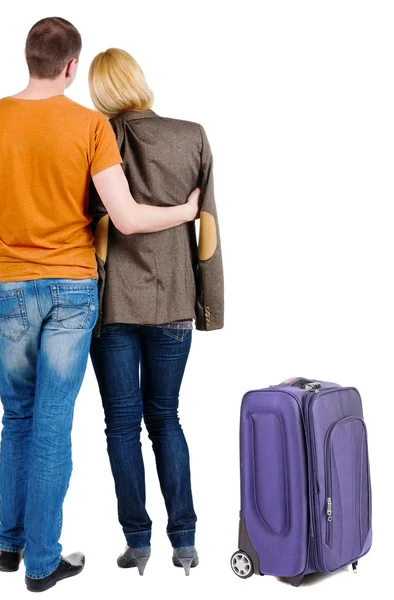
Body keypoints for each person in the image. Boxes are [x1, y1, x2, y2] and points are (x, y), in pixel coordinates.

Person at [0, 19, 200, 593]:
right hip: (71, 290)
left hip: (11, 287)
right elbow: (126, 218)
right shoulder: (89, 124)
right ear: (72, 67)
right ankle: (43, 562)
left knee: (15, 416)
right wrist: (187, 212)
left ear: (29, 58)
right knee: (50, 423)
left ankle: (9, 543)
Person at [88, 48, 224, 577]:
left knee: (121, 425)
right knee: (165, 417)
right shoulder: (191, 134)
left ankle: (137, 542)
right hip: (173, 298)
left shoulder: (97, 137)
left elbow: (87, 220)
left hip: (113, 302)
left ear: (99, 92)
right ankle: (184, 542)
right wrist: (208, 304)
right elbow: (208, 226)